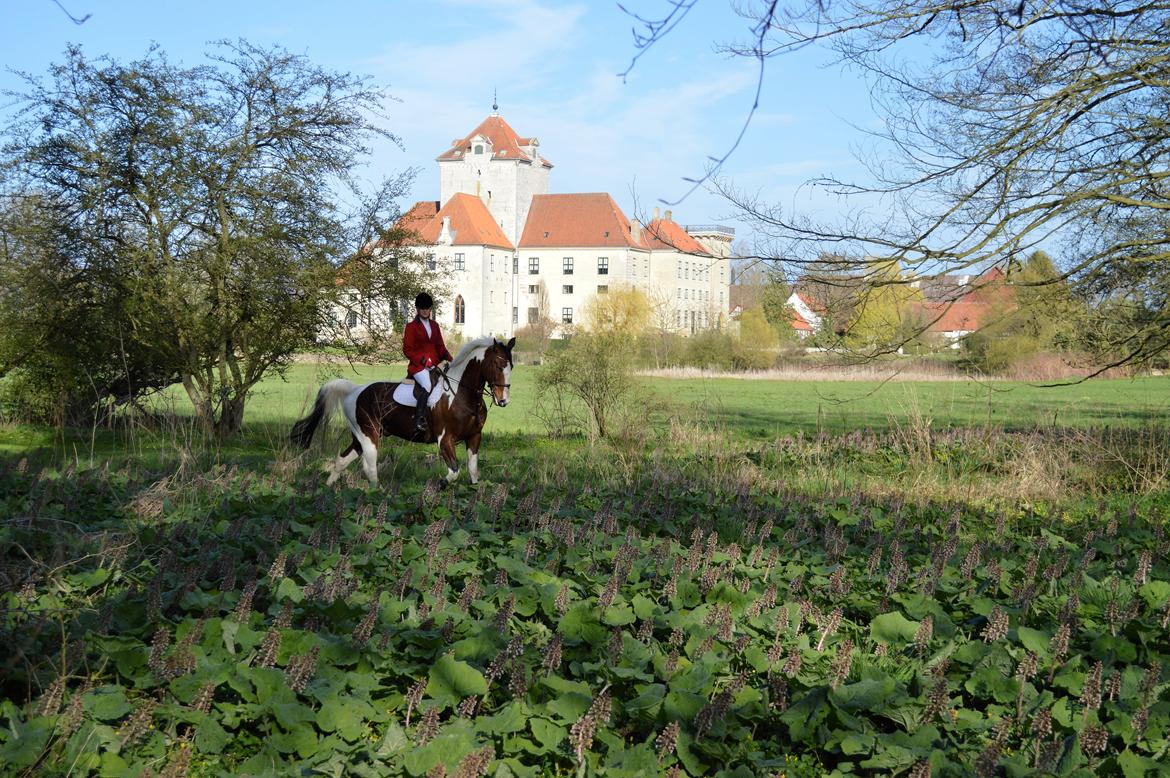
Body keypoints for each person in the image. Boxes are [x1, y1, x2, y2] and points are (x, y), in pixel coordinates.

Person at [402, 292, 453, 432]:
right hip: (418, 367)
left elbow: (440, 347)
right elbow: (407, 349)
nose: (425, 311)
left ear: (431, 309)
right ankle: (419, 419)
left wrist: (452, 359)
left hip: (435, 365)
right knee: (427, 384)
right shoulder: (411, 327)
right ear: (417, 309)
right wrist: (423, 361)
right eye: (422, 308)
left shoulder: (435, 325)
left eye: (427, 308)